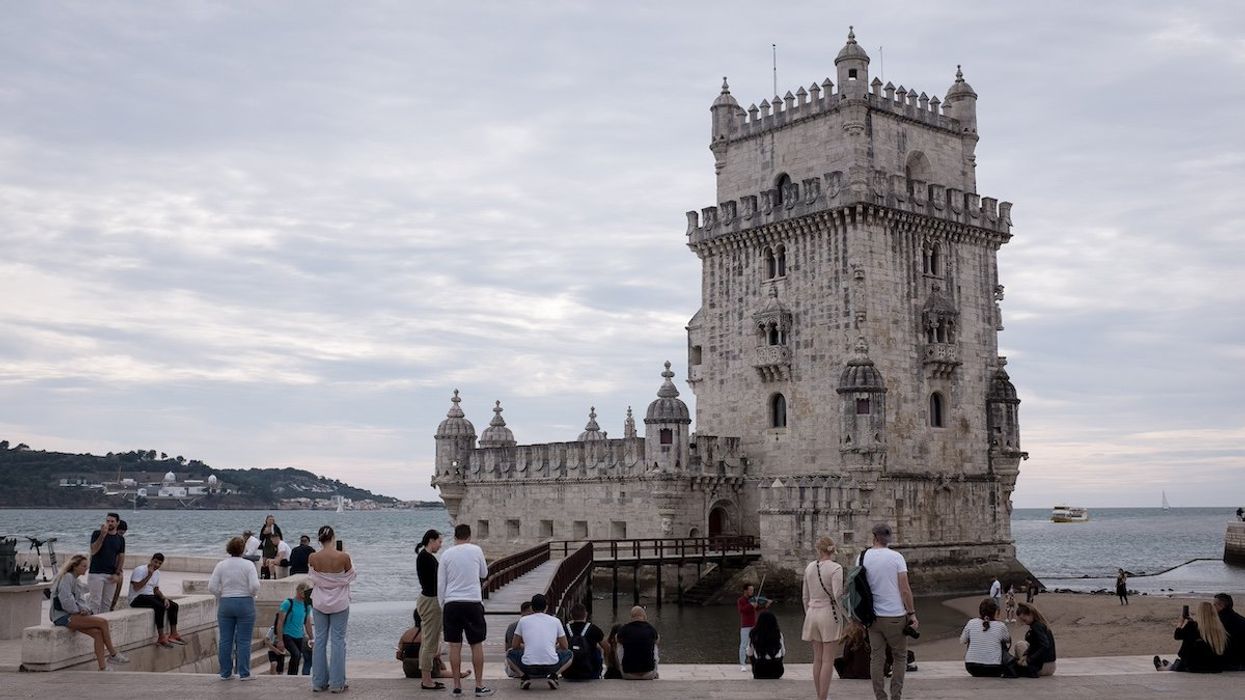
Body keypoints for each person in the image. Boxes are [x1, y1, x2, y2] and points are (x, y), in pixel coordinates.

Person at [437, 523, 493, 697]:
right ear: (469, 536)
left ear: (455, 537)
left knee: (455, 646)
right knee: (476, 644)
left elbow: (441, 583)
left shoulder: (446, 554)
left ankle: (456, 686)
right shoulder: (476, 550)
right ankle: (478, 686)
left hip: (452, 603)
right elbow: (484, 573)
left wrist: (443, 605)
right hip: (472, 602)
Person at [49, 554, 130, 671]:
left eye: (87, 566)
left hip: (72, 615)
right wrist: (77, 611)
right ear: (74, 566)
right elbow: (65, 600)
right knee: (102, 622)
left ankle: (102, 667)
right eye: (83, 566)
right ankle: (113, 654)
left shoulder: (76, 580)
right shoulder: (67, 577)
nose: (86, 568)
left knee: (97, 633)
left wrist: (85, 611)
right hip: (62, 616)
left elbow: (81, 600)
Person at [864, 523, 917, 700]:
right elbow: (904, 589)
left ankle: (880, 696)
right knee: (900, 657)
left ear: (874, 536)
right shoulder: (896, 557)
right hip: (895, 616)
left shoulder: (862, 557)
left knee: (876, 658)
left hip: (872, 617)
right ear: (888, 538)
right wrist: (912, 613)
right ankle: (896, 696)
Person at [309, 525, 356, 693]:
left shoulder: (313, 557)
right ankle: (337, 683)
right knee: (338, 641)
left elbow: (313, 577)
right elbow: (351, 576)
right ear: (333, 537)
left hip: (319, 602)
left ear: (319, 539)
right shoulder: (343, 556)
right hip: (340, 602)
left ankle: (318, 682)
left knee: (320, 640)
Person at [208, 536, 261, 680]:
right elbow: (255, 586)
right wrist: (252, 594)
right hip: (245, 603)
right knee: (243, 640)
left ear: (229, 549)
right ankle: (244, 673)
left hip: (226, 603)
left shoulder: (221, 565)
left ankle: (225, 673)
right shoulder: (248, 565)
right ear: (243, 549)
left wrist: (222, 595)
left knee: (225, 640)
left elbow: (211, 587)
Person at [803, 535, 843, 700]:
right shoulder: (836, 568)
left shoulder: (809, 567)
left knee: (817, 659)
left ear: (818, 549)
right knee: (828, 660)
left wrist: (809, 612)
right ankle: (823, 697)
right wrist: (846, 616)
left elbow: (804, 596)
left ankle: (820, 695)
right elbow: (837, 595)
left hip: (812, 613)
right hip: (829, 613)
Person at [507, 594, 573, 689]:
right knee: (570, 654)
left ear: (532, 607)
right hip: (551, 666)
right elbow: (565, 646)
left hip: (528, 666)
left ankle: (524, 677)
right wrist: (552, 647)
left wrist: (527, 646)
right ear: (546, 606)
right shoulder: (556, 621)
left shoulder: (523, 621)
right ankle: (554, 676)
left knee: (509, 654)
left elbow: (514, 646)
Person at [1155, 601, 1229, 673]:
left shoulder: (1193, 626)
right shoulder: (1220, 628)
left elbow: (1177, 636)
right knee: (1192, 639)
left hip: (1194, 666)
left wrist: (1180, 622)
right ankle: (1172, 665)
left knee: (1188, 642)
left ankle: (1167, 667)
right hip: (1214, 667)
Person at [128, 553, 184, 647]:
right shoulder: (140, 570)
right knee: (159, 607)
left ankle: (173, 634)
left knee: (173, 605)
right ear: (151, 560)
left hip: (150, 596)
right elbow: (136, 588)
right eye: (155, 562)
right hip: (136, 598)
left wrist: (164, 598)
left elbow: (155, 590)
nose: (157, 565)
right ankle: (161, 637)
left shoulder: (157, 573)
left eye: (159, 563)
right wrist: (149, 575)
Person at [416, 528, 445, 690]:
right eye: (439, 542)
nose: (440, 545)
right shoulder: (426, 558)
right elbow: (437, 581)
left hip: (426, 599)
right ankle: (427, 680)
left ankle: (426, 678)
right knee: (430, 641)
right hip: (430, 601)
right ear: (431, 540)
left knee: (428, 639)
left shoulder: (424, 556)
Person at [960, 598, 1011, 677]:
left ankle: (975, 657)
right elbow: (1008, 640)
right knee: (1001, 640)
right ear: (995, 611)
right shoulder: (1000, 625)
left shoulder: (971, 623)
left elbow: (962, 641)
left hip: (972, 667)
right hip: (994, 668)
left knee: (971, 638)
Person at [272, 582, 314, 675]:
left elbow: (308, 623)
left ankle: (295, 675)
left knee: (301, 656)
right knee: (296, 654)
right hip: (287, 635)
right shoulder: (288, 603)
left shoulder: (307, 606)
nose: (304, 594)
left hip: (299, 636)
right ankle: (291, 676)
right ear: (298, 591)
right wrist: (280, 640)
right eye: (303, 591)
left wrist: (312, 638)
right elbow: (280, 622)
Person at [87, 512, 126, 613]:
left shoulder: (120, 539)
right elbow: (94, 551)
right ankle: (93, 624)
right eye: (107, 521)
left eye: (112, 521)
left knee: (107, 603)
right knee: (95, 602)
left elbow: (121, 557)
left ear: (117, 523)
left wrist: (117, 573)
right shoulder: (97, 534)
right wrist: (102, 536)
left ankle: (103, 625)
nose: (109, 523)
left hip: (110, 574)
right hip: (96, 573)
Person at [1010, 602, 1057, 677]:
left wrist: (1030, 659)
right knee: (1024, 645)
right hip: (1051, 666)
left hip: (1042, 668)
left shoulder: (1037, 626)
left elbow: (1045, 645)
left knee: (1020, 645)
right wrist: (1026, 654)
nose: (1024, 623)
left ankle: (1019, 667)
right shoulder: (1042, 624)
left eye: (1024, 620)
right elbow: (1035, 645)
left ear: (1031, 614)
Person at [561, 603, 605, 682]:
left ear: (571, 615)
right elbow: (606, 647)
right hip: (589, 673)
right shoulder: (594, 629)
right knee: (598, 649)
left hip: (569, 673)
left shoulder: (565, 629)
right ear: (586, 614)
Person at [615, 606, 659, 680]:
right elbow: (657, 640)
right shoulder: (650, 628)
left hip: (628, 674)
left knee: (619, 642)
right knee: (654, 642)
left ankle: (622, 667)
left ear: (631, 616)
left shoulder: (625, 629)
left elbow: (617, 639)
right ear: (644, 616)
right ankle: (653, 670)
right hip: (649, 674)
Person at [747, 611, 786, 679]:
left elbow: (749, 652)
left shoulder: (754, 634)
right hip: (776, 670)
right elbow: (783, 653)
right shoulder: (778, 634)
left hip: (759, 670)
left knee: (753, 655)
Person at [1214, 594, 1245, 671]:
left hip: (1228, 661)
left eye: (1214, 604)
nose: (1212, 607)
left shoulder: (1220, 621)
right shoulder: (1240, 619)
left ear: (1221, 606)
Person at [737, 583, 758, 671]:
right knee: (744, 645)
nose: (752, 592)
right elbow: (742, 610)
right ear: (745, 591)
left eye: (752, 590)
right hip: (745, 625)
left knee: (755, 644)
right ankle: (743, 664)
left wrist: (765, 605)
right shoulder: (741, 600)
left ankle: (756, 662)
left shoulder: (753, 600)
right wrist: (751, 605)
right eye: (750, 590)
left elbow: (758, 609)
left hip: (754, 625)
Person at [259, 514, 283, 580]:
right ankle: (264, 575)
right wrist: (264, 533)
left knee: (272, 560)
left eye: (272, 520)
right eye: (270, 520)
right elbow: (261, 537)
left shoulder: (275, 527)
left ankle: (273, 575)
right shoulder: (264, 527)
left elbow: (280, 537)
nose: (271, 521)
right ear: (266, 520)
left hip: (274, 545)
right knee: (264, 561)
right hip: (266, 545)